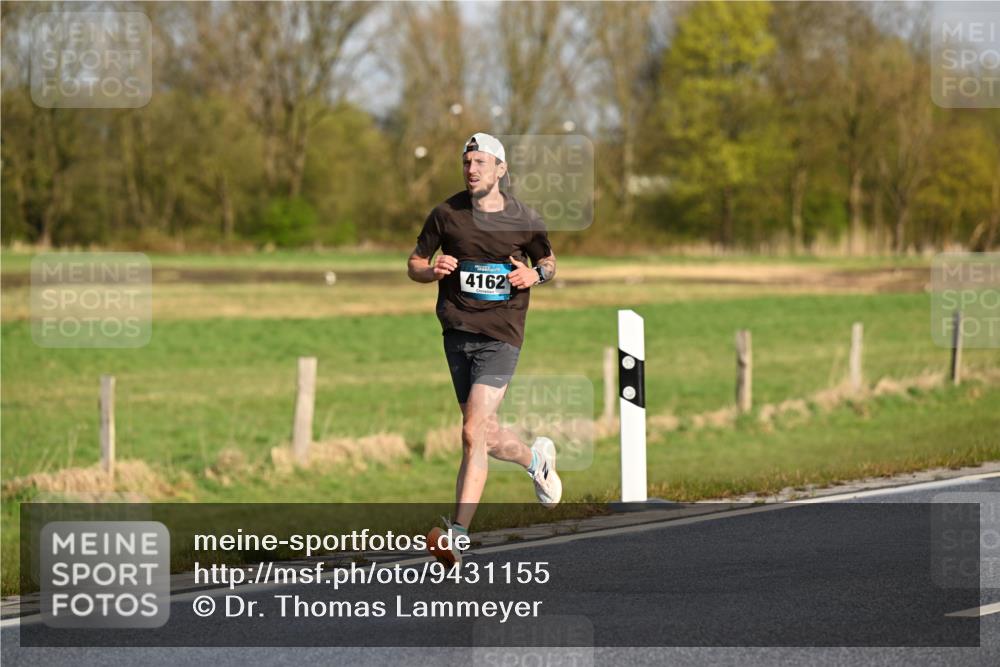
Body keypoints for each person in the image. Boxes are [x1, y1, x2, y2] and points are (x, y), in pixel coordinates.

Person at [407, 132, 562, 568]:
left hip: (501, 335)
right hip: (457, 334)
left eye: (480, 162)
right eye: (466, 162)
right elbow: (414, 263)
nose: (471, 169)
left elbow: (549, 261)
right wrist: (431, 270)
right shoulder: (446, 215)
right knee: (485, 435)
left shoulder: (523, 218)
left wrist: (535, 276)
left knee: (472, 432)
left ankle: (457, 535)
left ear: (500, 169)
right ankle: (537, 461)